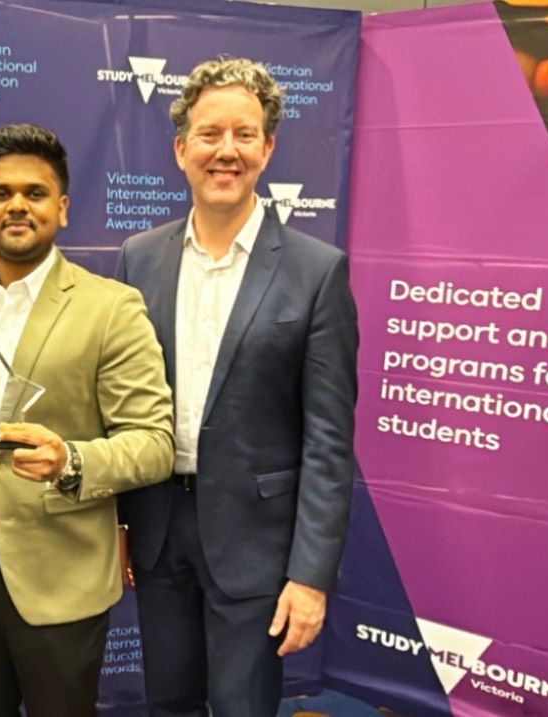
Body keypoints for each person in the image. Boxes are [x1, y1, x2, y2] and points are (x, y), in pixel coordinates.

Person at [0, 123, 174, 717]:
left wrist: (70, 460)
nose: (17, 205)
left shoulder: (110, 307)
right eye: (1, 193)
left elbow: (153, 443)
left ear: (62, 208)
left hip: (62, 572)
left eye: (35, 193)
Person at [115, 57, 359, 717]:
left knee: (241, 709)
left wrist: (310, 577)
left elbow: (330, 444)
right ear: (181, 148)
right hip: (159, 530)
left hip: (258, 543)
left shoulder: (317, 272)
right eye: (210, 133)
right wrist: (118, 524)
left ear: (268, 147)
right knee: (168, 705)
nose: (227, 151)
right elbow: (118, 406)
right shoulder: (139, 258)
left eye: (244, 135)